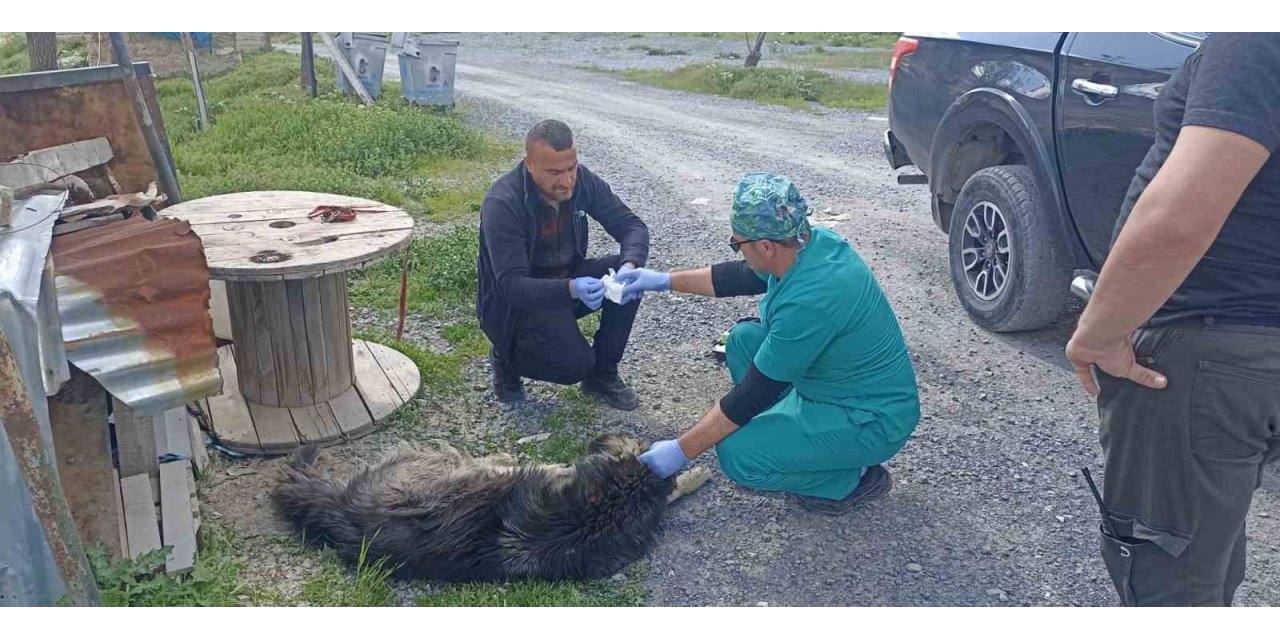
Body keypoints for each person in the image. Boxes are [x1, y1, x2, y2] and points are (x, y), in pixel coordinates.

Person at [1065, 33, 1280, 606]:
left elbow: (1181, 214)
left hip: (1208, 348)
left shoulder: (1255, 38)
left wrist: (1100, 332)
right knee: (1205, 546)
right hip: (1248, 354)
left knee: (1170, 579)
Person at [618, 173, 920, 514]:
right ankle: (791, 438)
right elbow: (739, 276)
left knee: (737, 454)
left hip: (868, 418)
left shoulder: (811, 301)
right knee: (743, 341)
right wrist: (660, 281)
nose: (738, 250)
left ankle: (851, 479)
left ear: (765, 246)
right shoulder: (807, 243)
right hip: (835, 385)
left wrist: (680, 450)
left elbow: (752, 395)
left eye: (738, 243)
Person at [476, 120, 649, 410]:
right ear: (529, 164)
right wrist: (571, 289)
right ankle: (506, 358)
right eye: (554, 172)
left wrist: (630, 266)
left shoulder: (582, 182)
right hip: (518, 306)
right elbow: (510, 286)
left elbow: (632, 226)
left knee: (630, 280)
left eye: (571, 168)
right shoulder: (503, 203)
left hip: (566, 284)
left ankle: (602, 375)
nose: (567, 181)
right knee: (575, 365)